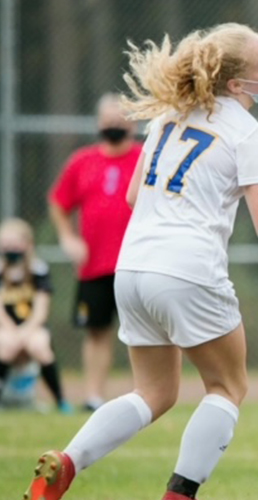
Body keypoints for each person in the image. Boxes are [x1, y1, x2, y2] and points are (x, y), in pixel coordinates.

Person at [25, 22, 258, 500]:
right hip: (188, 269)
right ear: (236, 83)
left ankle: (67, 461)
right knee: (227, 388)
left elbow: (131, 196)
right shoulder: (245, 132)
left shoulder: (169, 117)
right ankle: (179, 494)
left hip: (133, 268)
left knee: (154, 393)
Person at [48, 93, 142, 412]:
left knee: (143, 333)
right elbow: (59, 203)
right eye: (109, 121)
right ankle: (93, 396)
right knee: (96, 332)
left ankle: (144, 396)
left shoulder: (144, 158)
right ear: (99, 124)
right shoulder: (82, 162)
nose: (115, 126)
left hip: (138, 263)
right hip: (95, 265)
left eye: (121, 121)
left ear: (133, 123)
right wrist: (67, 238)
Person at [0, 218, 71, 413]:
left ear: (27, 244)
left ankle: (60, 401)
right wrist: (14, 333)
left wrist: (23, 333)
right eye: (5, 245)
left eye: (14, 244)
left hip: (32, 327)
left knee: (39, 345)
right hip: (6, 328)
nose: (9, 249)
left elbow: (41, 311)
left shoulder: (38, 270)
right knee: (5, 345)